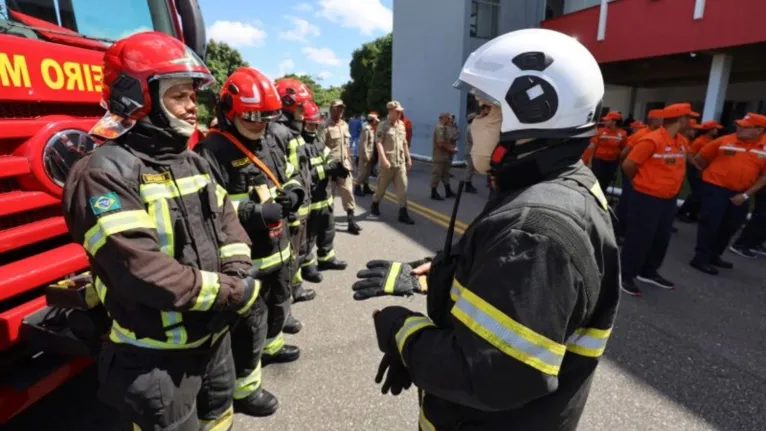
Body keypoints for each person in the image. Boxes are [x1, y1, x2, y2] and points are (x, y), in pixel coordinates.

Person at [352, 28, 619, 430]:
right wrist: (436, 274)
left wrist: (403, 333)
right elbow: (501, 279)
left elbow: (489, 373)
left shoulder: (534, 230)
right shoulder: (555, 184)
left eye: (484, 109)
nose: (474, 121)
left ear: (533, 110)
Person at [63, 32, 259, 430]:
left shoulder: (191, 161)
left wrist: (238, 270)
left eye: (193, 95)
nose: (193, 107)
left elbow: (228, 222)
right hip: (156, 361)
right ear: (137, 98)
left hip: (214, 340)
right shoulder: (103, 173)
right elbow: (141, 270)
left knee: (220, 416)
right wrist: (232, 291)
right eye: (179, 96)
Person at [194, 67, 306, 416]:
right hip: (248, 258)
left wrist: (293, 195)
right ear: (230, 111)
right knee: (249, 326)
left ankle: (272, 347)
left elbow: (289, 175)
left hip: (279, 249)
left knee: (278, 306)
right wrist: (257, 213)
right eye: (252, 117)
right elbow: (212, 209)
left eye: (266, 118)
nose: (260, 125)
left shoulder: (271, 136)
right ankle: (246, 388)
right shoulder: (212, 149)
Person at [620, 103, 695, 296]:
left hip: (668, 199)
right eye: (689, 118)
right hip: (646, 197)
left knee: (661, 238)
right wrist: (641, 182)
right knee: (639, 237)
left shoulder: (681, 142)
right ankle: (626, 275)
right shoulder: (651, 140)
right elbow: (628, 165)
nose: (693, 122)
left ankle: (648, 271)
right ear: (680, 119)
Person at [690, 113, 766, 272]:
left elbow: (764, 177)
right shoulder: (724, 140)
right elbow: (700, 158)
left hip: (741, 193)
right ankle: (700, 258)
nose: (739, 128)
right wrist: (709, 177)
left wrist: (746, 195)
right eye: (739, 125)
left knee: (731, 225)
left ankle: (714, 255)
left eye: (745, 127)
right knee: (710, 223)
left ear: (759, 130)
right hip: (716, 189)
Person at [274, 78, 318, 298]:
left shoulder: (293, 133)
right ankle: (290, 296)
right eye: (300, 106)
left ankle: (296, 287)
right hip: (293, 208)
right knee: (290, 254)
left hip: (303, 202)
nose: (303, 111)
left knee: (297, 251)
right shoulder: (279, 133)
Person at [300, 100, 350, 277]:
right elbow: (305, 174)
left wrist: (335, 166)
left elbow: (328, 157)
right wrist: (325, 169)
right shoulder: (298, 146)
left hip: (325, 198)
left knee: (328, 231)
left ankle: (326, 258)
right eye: (310, 125)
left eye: (315, 125)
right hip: (311, 201)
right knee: (308, 237)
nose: (313, 129)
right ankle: (307, 266)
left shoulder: (319, 144)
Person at [614, 109, 663, 240]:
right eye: (661, 119)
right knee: (627, 201)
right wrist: (628, 172)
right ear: (654, 120)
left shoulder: (659, 135)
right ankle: (618, 230)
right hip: (632, 171)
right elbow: (624, 153)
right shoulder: (641, 135)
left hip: (644, 175)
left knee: (635, 204)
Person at [371, 101, 415, 225]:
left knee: (403, 189)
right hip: (387, 164)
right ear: (390, 111)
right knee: (381, 189)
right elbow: (378, 142)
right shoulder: (383, 125)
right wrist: (383, 159)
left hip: (399, 163)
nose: (400, 113)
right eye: (398, 111)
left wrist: (408, 159)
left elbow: (404, 143)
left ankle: (403, 213)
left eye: (400, 111)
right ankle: (375, 203)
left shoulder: (401, 125)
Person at [323, 100, 362, 235]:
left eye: (341, 109)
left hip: (344, 166)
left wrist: (349, 162)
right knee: (328, 196)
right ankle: (327, 223)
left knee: (348, 193)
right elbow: (320, 148)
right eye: (336, 109)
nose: (339, 111)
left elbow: (346, 145)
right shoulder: (324, 126)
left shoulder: (345, 125)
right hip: (330, 167)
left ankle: (351, 222)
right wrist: (328, 166)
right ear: (331, 109)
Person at [677, 120, 723, 223]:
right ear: (710, 130)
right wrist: (698, 167)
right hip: (694, 168)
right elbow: (690, 156)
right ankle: (682, 212)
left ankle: (693, 213)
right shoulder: (699, 141)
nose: (717, 131)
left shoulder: (712, 141)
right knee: (698, 192)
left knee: (702, 193)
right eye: (715, 129)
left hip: (703, 169)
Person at [588, 111, 627, 191]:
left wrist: (620, 163)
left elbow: (623, 149)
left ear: (614, 122)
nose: (605, 121)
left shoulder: (623, 134)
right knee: (595, 181)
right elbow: (593, 147)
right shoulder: (600, 131)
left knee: (606, 182)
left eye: (607, 120)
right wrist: (589, 162)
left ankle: (602, 198)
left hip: (612, 163)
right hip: (598, 161)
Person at [431, 112, 456, 200]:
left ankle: (448, 191)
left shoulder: (444, 128)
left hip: (445, 156)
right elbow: (441, 143)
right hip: (439, 156)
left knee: (445, 174)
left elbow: (446, 142)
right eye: (448, 118)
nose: (449, 120)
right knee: (437, 174)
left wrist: (451, 149)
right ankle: (433, 193)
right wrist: (451, 150)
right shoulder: (440, 128)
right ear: (444, 118)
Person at [354, 112, 379, 196]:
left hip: (369, 154)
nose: (377, 122)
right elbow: (363, 144)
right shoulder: (366, 129)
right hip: (365, 155)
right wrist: (366, 156)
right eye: (376, 120)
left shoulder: (371, 129)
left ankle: (366, 187)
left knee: (367, 172)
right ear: (372, 121)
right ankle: (357, 187)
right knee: (362, 172)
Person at [463, 110, 482, 193]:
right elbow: (473, 140)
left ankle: (468, 183)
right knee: (470, 169)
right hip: (471, 150)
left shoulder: (472, 127)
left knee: (471, 169)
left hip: (472, 150)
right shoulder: (471, 128)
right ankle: (467, 185)